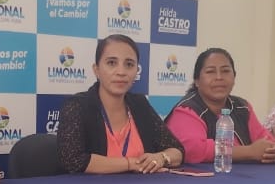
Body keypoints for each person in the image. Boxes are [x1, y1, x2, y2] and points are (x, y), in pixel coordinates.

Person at [56, 34, 184, 175]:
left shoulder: (140, 104)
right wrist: (131, 163)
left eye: (129, 64)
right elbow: (72, 160)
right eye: (111, 63)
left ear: (137, 71)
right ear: (96, 70)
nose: (121, 72)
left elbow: (177, 150)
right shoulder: (77, 106)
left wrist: (161, 157)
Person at [165, 47, 275, 164]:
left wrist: (273, 150)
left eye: (225, 71)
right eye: (210, 72)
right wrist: (250, 152)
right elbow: (194, 150)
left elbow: (269, 141)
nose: (219, 77)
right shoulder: (186, 110)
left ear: (234, 77)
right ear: (197, 81)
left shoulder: (242, 107)